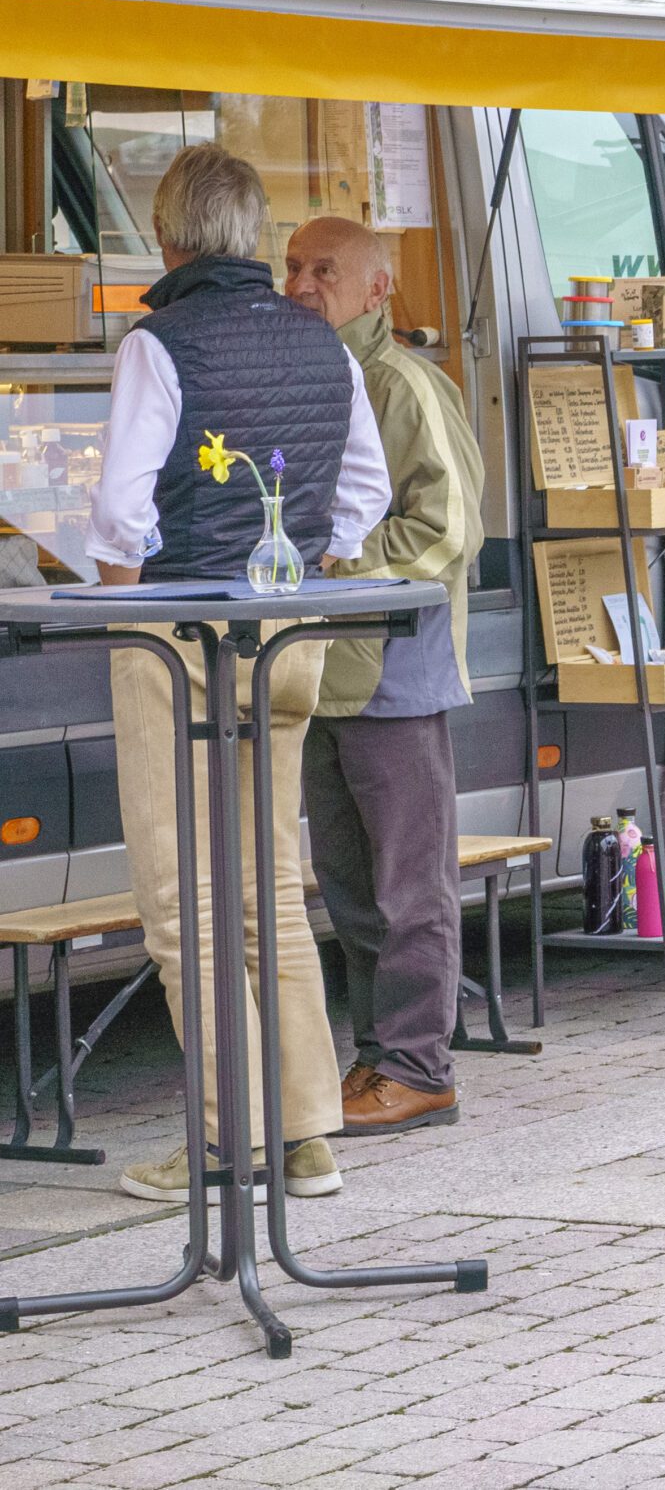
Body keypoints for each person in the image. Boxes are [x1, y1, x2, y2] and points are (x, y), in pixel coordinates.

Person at [88, 146, 390, 1203]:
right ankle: (307, 1137)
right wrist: (303, 560)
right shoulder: (325, 349)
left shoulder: (156, 343)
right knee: (266, 886)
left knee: (184, 903)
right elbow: (363, 493)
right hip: (289, 627)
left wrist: (118, 618)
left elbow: (123, 511)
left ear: (166, 239)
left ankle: (224, 1142)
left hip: (179, 631)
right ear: (255, 239)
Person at [285, 218, 485, 1136]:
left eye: (323, 270)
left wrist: (339, 563)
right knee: (353, 887)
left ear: (376, 292)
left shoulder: (398, 381)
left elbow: (448, 528)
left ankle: (419, 1068)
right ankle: (378, 1060)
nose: (300, 283)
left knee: (409, 888)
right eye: (290, 267)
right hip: (322, 667)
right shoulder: (311, 377)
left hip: (392, 668)